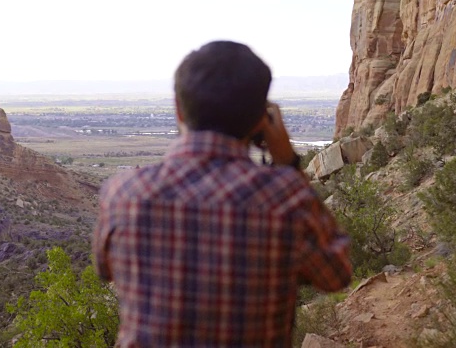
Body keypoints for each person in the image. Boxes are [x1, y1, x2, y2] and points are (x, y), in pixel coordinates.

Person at [93, 41, 352, 347]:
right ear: (262, 120)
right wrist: (288, 163)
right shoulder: (285, 198)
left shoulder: (124, 194)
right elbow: (336, 275)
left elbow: (104, 270)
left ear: (178, 108)